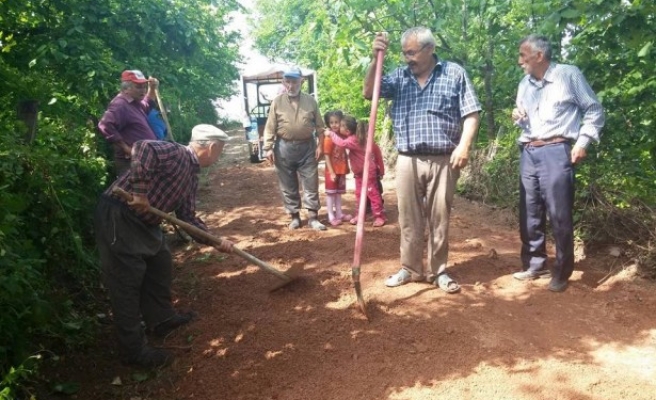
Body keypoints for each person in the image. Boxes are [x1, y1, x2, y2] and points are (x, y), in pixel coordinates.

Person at [94, 124, 234, 368]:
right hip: (120, 215)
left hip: (145, 224)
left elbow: (187, 217)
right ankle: (134, 351)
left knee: (160, 264)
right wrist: (139, 193)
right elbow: (142, 147)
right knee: (126, 282)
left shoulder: (191, 175)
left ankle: (161, 319)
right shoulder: (176, 153)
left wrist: (214, 240)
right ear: (211, 147)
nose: (219, 155)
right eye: (220, 151)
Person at [364, 27, 482, 293]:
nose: (407, 58)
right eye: (404, 53)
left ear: (429, 49)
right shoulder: (399, 76)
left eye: (412, 52)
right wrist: (375, 59)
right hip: (407, 158)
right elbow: (370, 93)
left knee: (439, 218)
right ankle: (411, 269)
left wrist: (464, 146)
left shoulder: (454, 73)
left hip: (444, 159)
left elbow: (472, 113)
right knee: (409, 218)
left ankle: (438, 271)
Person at [511, 34, 605, 292]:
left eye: (523, 55)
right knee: (529, 211)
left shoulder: (568, 75)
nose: (519, 61)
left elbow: (594, 109)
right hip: (529, 149)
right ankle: (534, 264)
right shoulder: (524, 84)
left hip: (557, 150)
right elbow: (522, 117)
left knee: (559, 213)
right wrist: (517, 116)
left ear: (539, 56)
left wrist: (582, 142)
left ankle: (562, 272)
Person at [262, 66, 326, 231]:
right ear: (284, 82)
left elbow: (320, 126)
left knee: (311, 183)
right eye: (287, 81)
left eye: (294, 81)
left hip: (308, 147)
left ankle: (313, 218)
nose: (291, 85)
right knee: (288, 184)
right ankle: (295, 217)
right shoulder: (277, 102)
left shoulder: (311, 101)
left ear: (301, 82)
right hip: (283, 148)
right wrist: (268, 147)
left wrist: (321, 144)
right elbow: (270, 126)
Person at [98, 70, 160, 177]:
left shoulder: (135, 102)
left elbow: (148, 104)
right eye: (138, 87)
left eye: (144, 86)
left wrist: (152, 89)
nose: (143, 90)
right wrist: (126, 148)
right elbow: (105, 125)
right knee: (131, 192)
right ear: (126, 89)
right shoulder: (120, 105)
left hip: (143, 159)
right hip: (131, 162)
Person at [327, 116, 386, 227]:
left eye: (342, 125)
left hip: (368, 173)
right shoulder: (355, 138)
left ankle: (379, 216)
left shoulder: (353, 140)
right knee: (359, 194)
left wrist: (331, 133)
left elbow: (341, 143)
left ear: (348, 130)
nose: (339, 127)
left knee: (373, 194)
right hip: (359, 174)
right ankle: (360, 215)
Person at [323, 110, 352, 226]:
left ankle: (339, 213)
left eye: (337, 122)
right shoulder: (329, 138)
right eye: (331, 122)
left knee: (338, 193)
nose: (334, 125)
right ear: (328, 124)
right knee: (331, 194)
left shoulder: (342, 136)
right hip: (332, 171)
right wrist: (331, 172)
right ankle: (331, 215)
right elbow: (326, 156)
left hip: (341, 170)